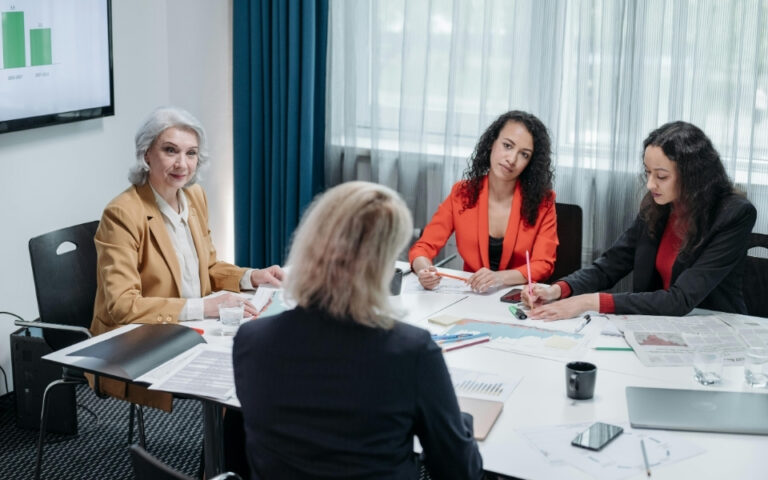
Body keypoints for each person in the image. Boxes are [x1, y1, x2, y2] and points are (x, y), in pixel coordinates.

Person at [233, 181, 484, 479]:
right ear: (382, 266)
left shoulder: (251, 340)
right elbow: (459, 472)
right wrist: (459, 422)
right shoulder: (411, 352)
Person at [90, 106, 284, 411]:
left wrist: (251, 276)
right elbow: (123, 306)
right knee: (240, 370)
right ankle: (226, 440)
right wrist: (204, 307)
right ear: (146, 154)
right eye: (170, 150)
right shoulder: (123, 213)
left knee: (263, 353)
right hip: (141, 339)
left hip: (194, 325)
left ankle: (236, 441)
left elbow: (208, 267)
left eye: (191, 153)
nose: (182, 164)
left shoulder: (194, 196)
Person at [523, 121, 757, 320]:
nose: (650, 184)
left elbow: (680, 299)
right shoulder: (658, 204)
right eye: (647, 172)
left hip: (711, 327)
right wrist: (558, 289)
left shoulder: (734, 214)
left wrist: (589, 302)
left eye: (661, 176)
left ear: (693, 176)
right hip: (658, 324)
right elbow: (611, 264)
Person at [409, 110, 558, 293]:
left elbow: (543, 264)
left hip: (517, 297)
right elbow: (423, 247)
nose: (512, 159)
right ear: (491, 143)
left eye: (524, 155)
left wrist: (499, 277)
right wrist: (424, 271)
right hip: (471, 296)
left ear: (531, 162)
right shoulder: (462, 193)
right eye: (507, 146)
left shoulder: (544, 202)